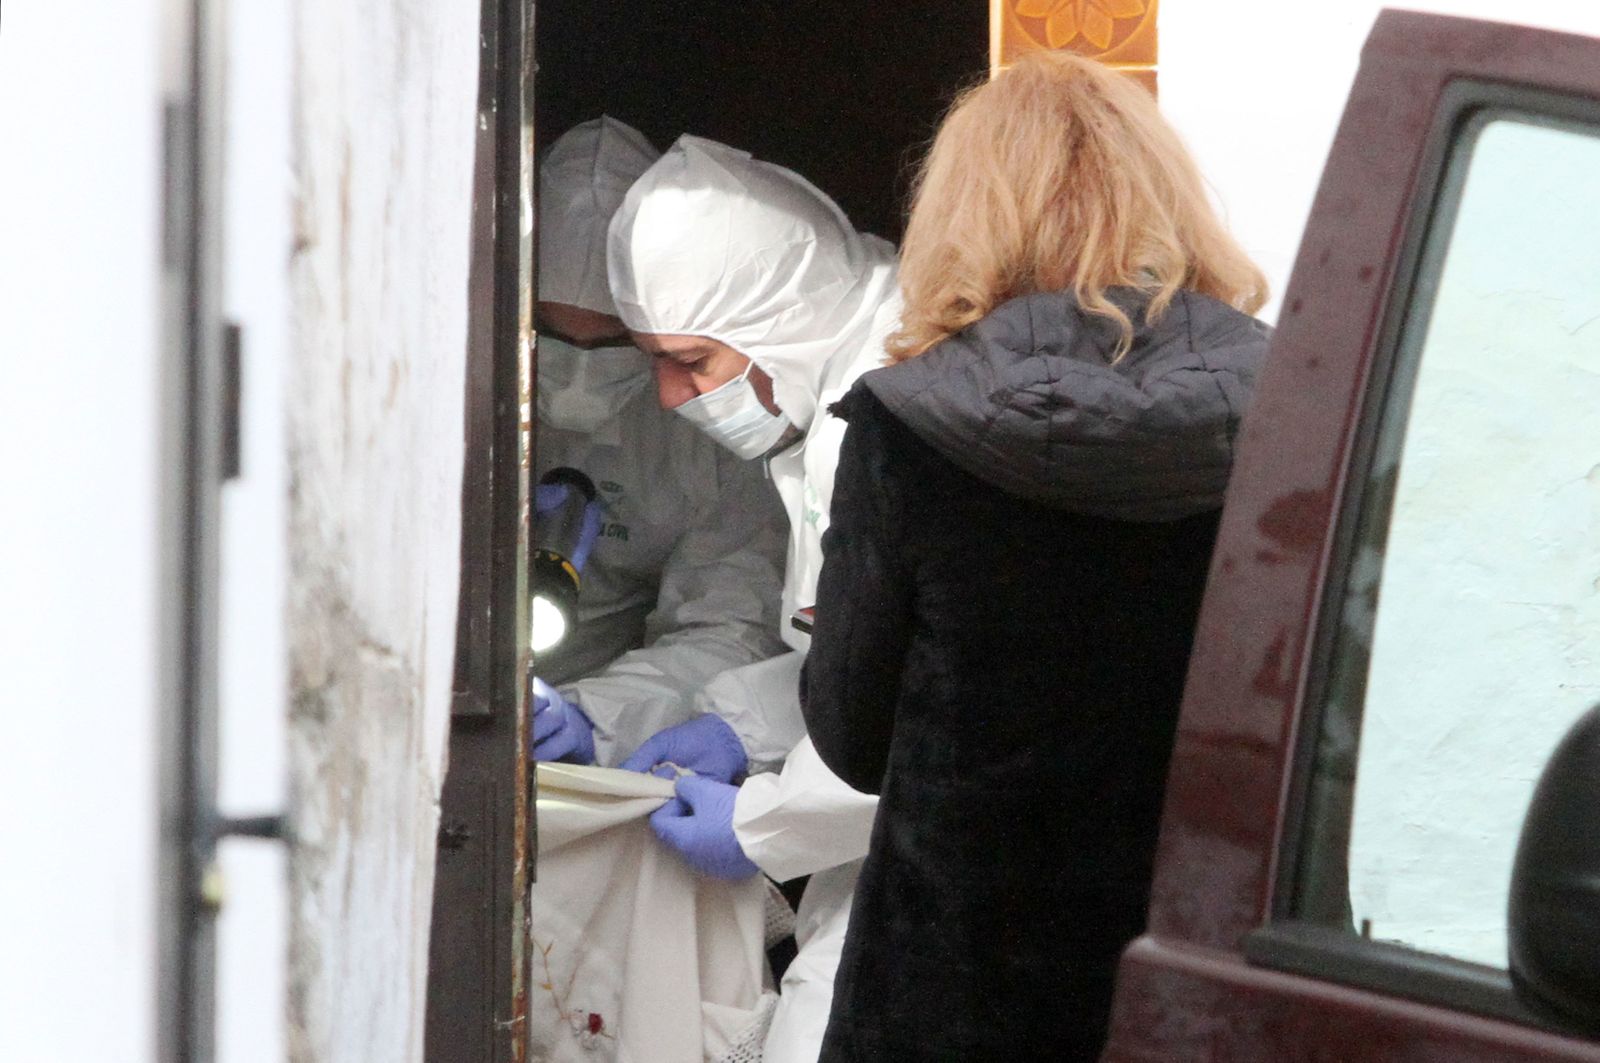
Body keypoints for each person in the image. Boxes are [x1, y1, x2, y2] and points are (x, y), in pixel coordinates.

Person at [799, 52, 1272, 1061]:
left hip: (953, 999)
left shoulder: (909, 426)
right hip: (1203, 988)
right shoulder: (1296, 413)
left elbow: (848, 733)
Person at [605, 135, 902, 1063]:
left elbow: (942, 699)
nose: (666, 395)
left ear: (783, 320)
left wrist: (768, 821)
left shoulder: (889, 420)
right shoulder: (831, 406)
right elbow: (862, 666)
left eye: (691, 360)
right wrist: (745, 726)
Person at [528, 117, 788, 767]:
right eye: (550, 334)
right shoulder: (444, 387)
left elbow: (728, 627)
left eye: (614, 341)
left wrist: (600, 715)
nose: (580, 373)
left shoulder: (709, 413)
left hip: (595, 715)